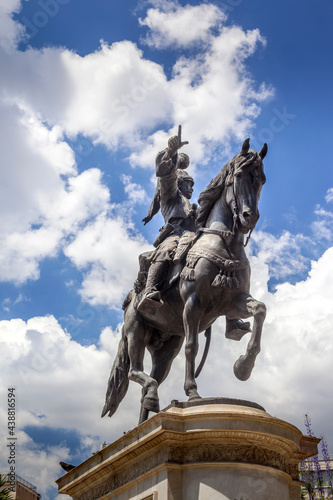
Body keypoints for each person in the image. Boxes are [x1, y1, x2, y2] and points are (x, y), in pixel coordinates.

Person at [137, 128, 196, 311]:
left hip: (193, 233)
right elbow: (165, 174)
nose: (192, 189)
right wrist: (171, 152)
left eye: (193, 185)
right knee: (167, 249)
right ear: (179, 183)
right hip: (175, 233)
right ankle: (150, 292)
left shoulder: (191, 205)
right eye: (188, 184)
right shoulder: (170, 195)